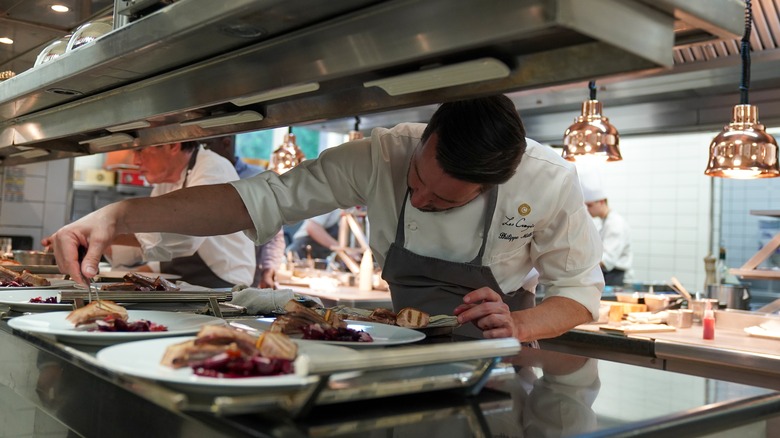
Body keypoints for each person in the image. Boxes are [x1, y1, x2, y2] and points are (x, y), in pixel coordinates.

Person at [45, 95, 603, 342]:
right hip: (397, 341)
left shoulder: (548, 180)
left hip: (493, 350)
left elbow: (577, 291)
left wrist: (521, 324)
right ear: (424, 141)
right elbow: (252, 201)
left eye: (445, 202)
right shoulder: (380, 153)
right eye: (417, 186)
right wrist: (120, 214)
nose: (424, 202)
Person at [101, 141, 256, 288]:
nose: (135, 161)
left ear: (173, 145)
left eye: (140, 150)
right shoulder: (165, 183)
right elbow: (152, 244)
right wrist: (99, 244)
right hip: (184, 281)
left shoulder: (213, 168)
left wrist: (109, 232)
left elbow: (185, 234)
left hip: (224, 286)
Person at [202, 135, 285, 288]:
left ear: (226, 144)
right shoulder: (199, 176)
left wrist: (269, 269)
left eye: (205, 145)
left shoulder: (256, 179)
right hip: (206, 273)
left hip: (248, 275)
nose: (200, 151)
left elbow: (274, 233)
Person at [580, 170, 632, 286]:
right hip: (609, 276)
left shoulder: (615, 223)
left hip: (615, 278)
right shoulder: (603, 223)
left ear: (602, 202)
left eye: (590, 205)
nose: (587, 209)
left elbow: (607, 260)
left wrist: (579, 266)